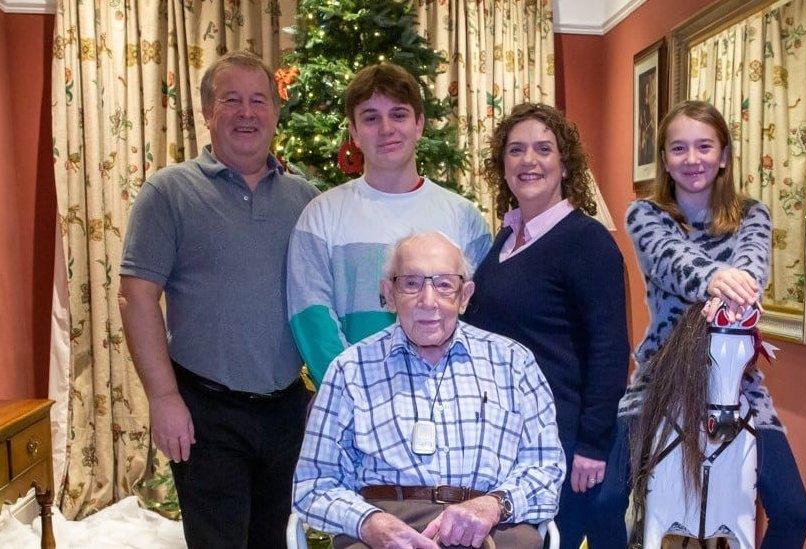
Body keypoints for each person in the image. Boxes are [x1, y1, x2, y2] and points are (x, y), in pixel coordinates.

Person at [118, 51, 319, 548]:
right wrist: (164, 398)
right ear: (208, 112)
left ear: (275, 112)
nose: (247, 113)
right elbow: (136, 298)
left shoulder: (306, 199)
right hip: (206, 410)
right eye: (232, 100)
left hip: (287, 411)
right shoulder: (168, 193)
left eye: (259, 101)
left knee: (274, 540)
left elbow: (322, 302)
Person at [618, 100, 806, 547]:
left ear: (723, 154)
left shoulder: (753, 214)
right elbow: (672, 261)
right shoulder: (645, 215)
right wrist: (716, 279)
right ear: (665, 159)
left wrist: (731, 283)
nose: (692, 160)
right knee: (607, 497)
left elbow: (753, 266)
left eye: (704, 147)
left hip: (737, 381)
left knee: (795, 510)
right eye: (679, 148)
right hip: (661, 376)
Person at [292, 232, 565, 549]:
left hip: (489, 528)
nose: (428, 300)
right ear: (389, 294)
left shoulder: (514, 364)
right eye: (411, 283)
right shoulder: (350, 370)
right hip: (385, 528)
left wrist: (493, 506)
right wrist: (369, 522)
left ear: (464, 296)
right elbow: (313, 484)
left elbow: (546, 470)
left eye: (444, 285)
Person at [463, 103, 630, 548]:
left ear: (564, 162)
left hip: (564, 437)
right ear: (502, 165)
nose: (528, 161)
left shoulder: (586, 241)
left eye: (543, 148)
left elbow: (610, 350)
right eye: (516, 150)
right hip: (509, 436)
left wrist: (593, 445)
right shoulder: (506, 238)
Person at [287, 62, 491, 387]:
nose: (386, 129)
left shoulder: (463, 217)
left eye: (398, 114)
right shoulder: (320, 215)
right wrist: (352, 390)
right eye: (370, 118)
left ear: (419, 124)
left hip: (447, 398)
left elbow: (480, 315)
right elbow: (311, 317)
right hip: (355, 401)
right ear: (353, 131)